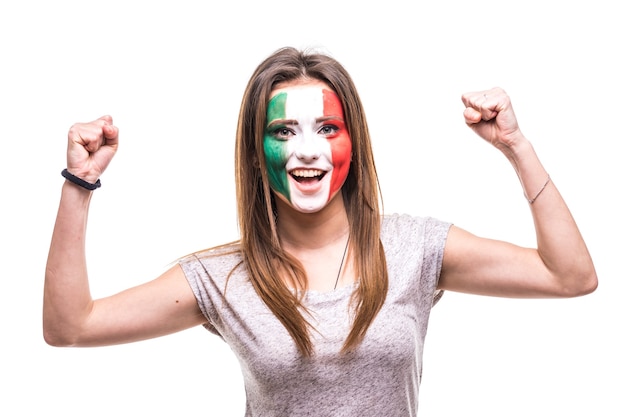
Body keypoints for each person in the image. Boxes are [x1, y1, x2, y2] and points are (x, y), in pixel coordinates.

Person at [43, 46, 597, 416]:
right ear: (257, 154)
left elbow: (569, 275)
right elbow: (70, 326)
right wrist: (79, 183)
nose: (307, 149)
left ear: (352, 142)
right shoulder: (223, 278)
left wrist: (515, 147)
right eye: (284, 130)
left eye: (327, 127)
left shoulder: (415, 248)